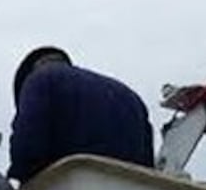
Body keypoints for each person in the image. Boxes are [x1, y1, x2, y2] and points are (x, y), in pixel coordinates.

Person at [8, 46, 154, 183]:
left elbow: (28, 140)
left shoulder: (40, 79)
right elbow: (149, 167)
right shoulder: (131, 97)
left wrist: (21, 175)